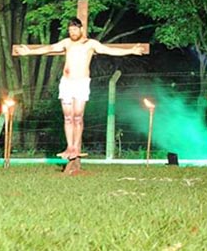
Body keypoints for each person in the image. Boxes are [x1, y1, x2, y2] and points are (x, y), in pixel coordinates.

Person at [14, 17, 145, 159]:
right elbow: (49, 48)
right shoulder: (66, 43)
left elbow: (110, 50)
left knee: (77, 116)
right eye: (70, 30)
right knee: (68, 117)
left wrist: (131, 50)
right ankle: (69, 147)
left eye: (75, 29)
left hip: (81, 83)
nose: (72, 32)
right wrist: (29, 52)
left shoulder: (90, 44)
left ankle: (76, 147)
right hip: (66, 83)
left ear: (81, 29)